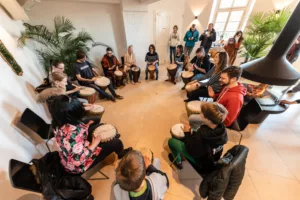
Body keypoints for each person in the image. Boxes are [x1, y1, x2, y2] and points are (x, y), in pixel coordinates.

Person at [49, 95, 132, 174]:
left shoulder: (57, 122)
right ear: (72, 115)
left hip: (75, 148)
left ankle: (108, 139)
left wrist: (86, 126)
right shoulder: (72, 134)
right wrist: (94, 144)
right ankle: (120, 153)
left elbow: (75, 135)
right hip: (78, 166)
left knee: (98, 125)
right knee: (117, 143)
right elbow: (78, 160)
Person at [168, 102, 228, 171]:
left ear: (208, 119)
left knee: (171, 142)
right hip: (214, 157)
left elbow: (191, 150)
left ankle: (178, 163)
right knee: (193, 130)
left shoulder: (202, 135)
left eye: (202, 113)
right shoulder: (222, 129)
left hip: (203, 163)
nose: (200, 114)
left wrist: (186, 133)